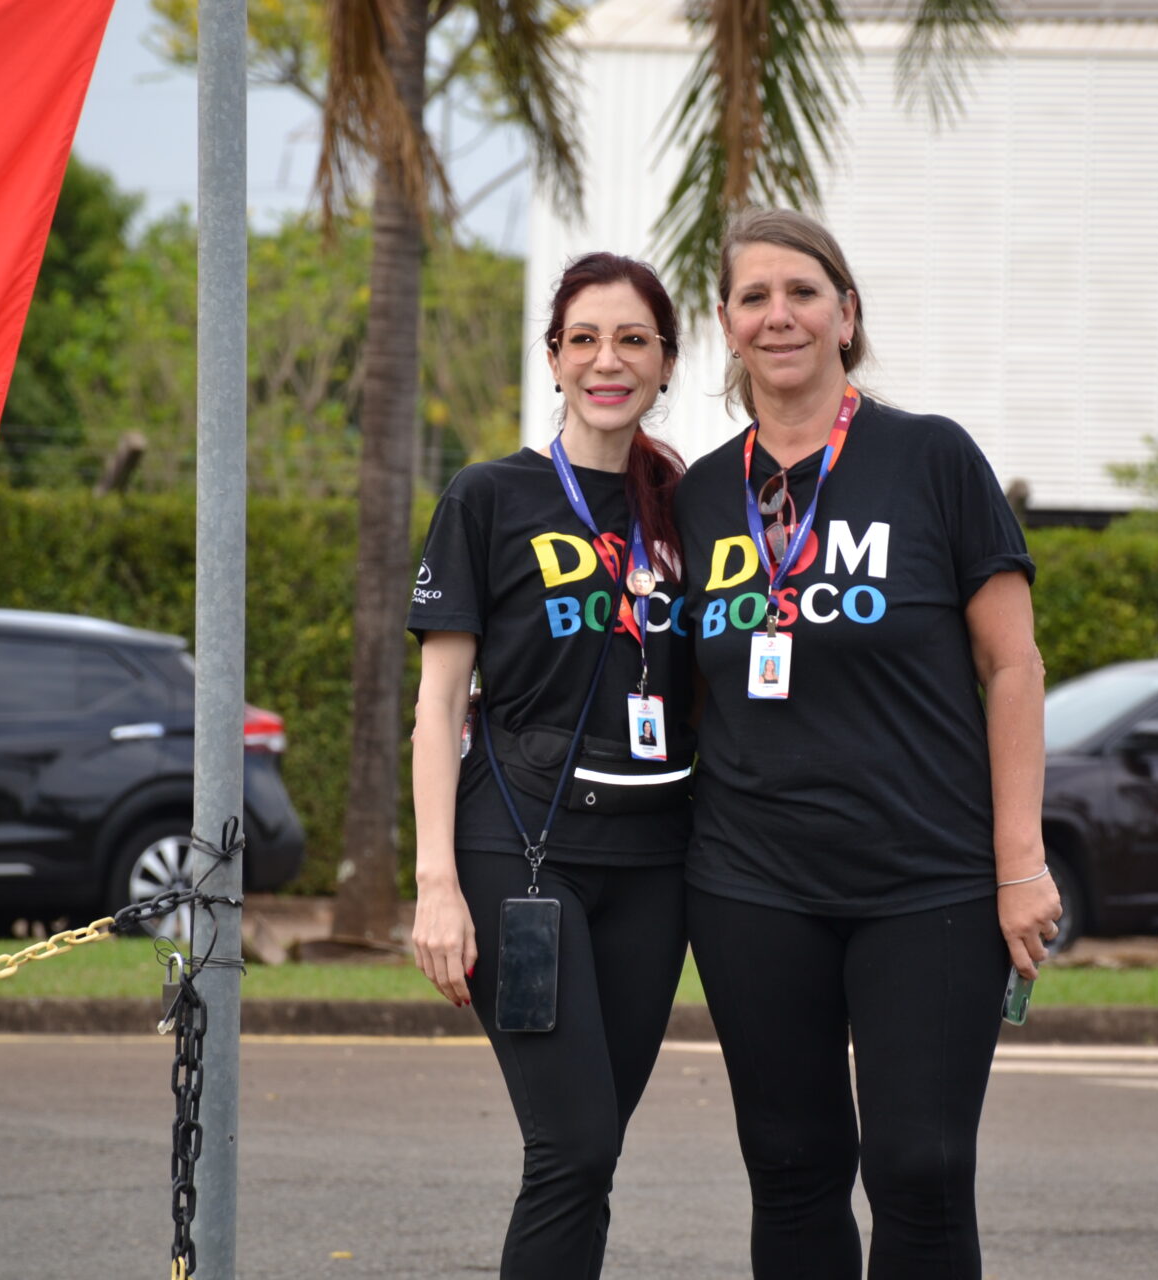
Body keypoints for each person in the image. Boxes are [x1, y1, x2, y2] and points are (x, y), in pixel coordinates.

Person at [675, 208, 1061, 1279]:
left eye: (803, 292)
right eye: (754, 297)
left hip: (927, 879)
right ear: (727, 324)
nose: (779, 315)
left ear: (846, 314)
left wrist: (1020, 862)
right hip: (752, 883)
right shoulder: (700, 494)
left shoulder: (931, 458)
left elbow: (1014, 667)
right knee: (792, 1167)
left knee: (921, 1167)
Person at [406, 252, 693, 1279]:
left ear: (666, 361)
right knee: (570, 1145)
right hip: (522, 852)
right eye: (585, 340)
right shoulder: (491, 496)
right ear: (555, 358)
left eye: (633, 340)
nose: (608, 361)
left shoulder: (696, 505)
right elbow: (439, 703)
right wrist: (436, 884)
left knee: (593, 1151)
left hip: (655, 863)